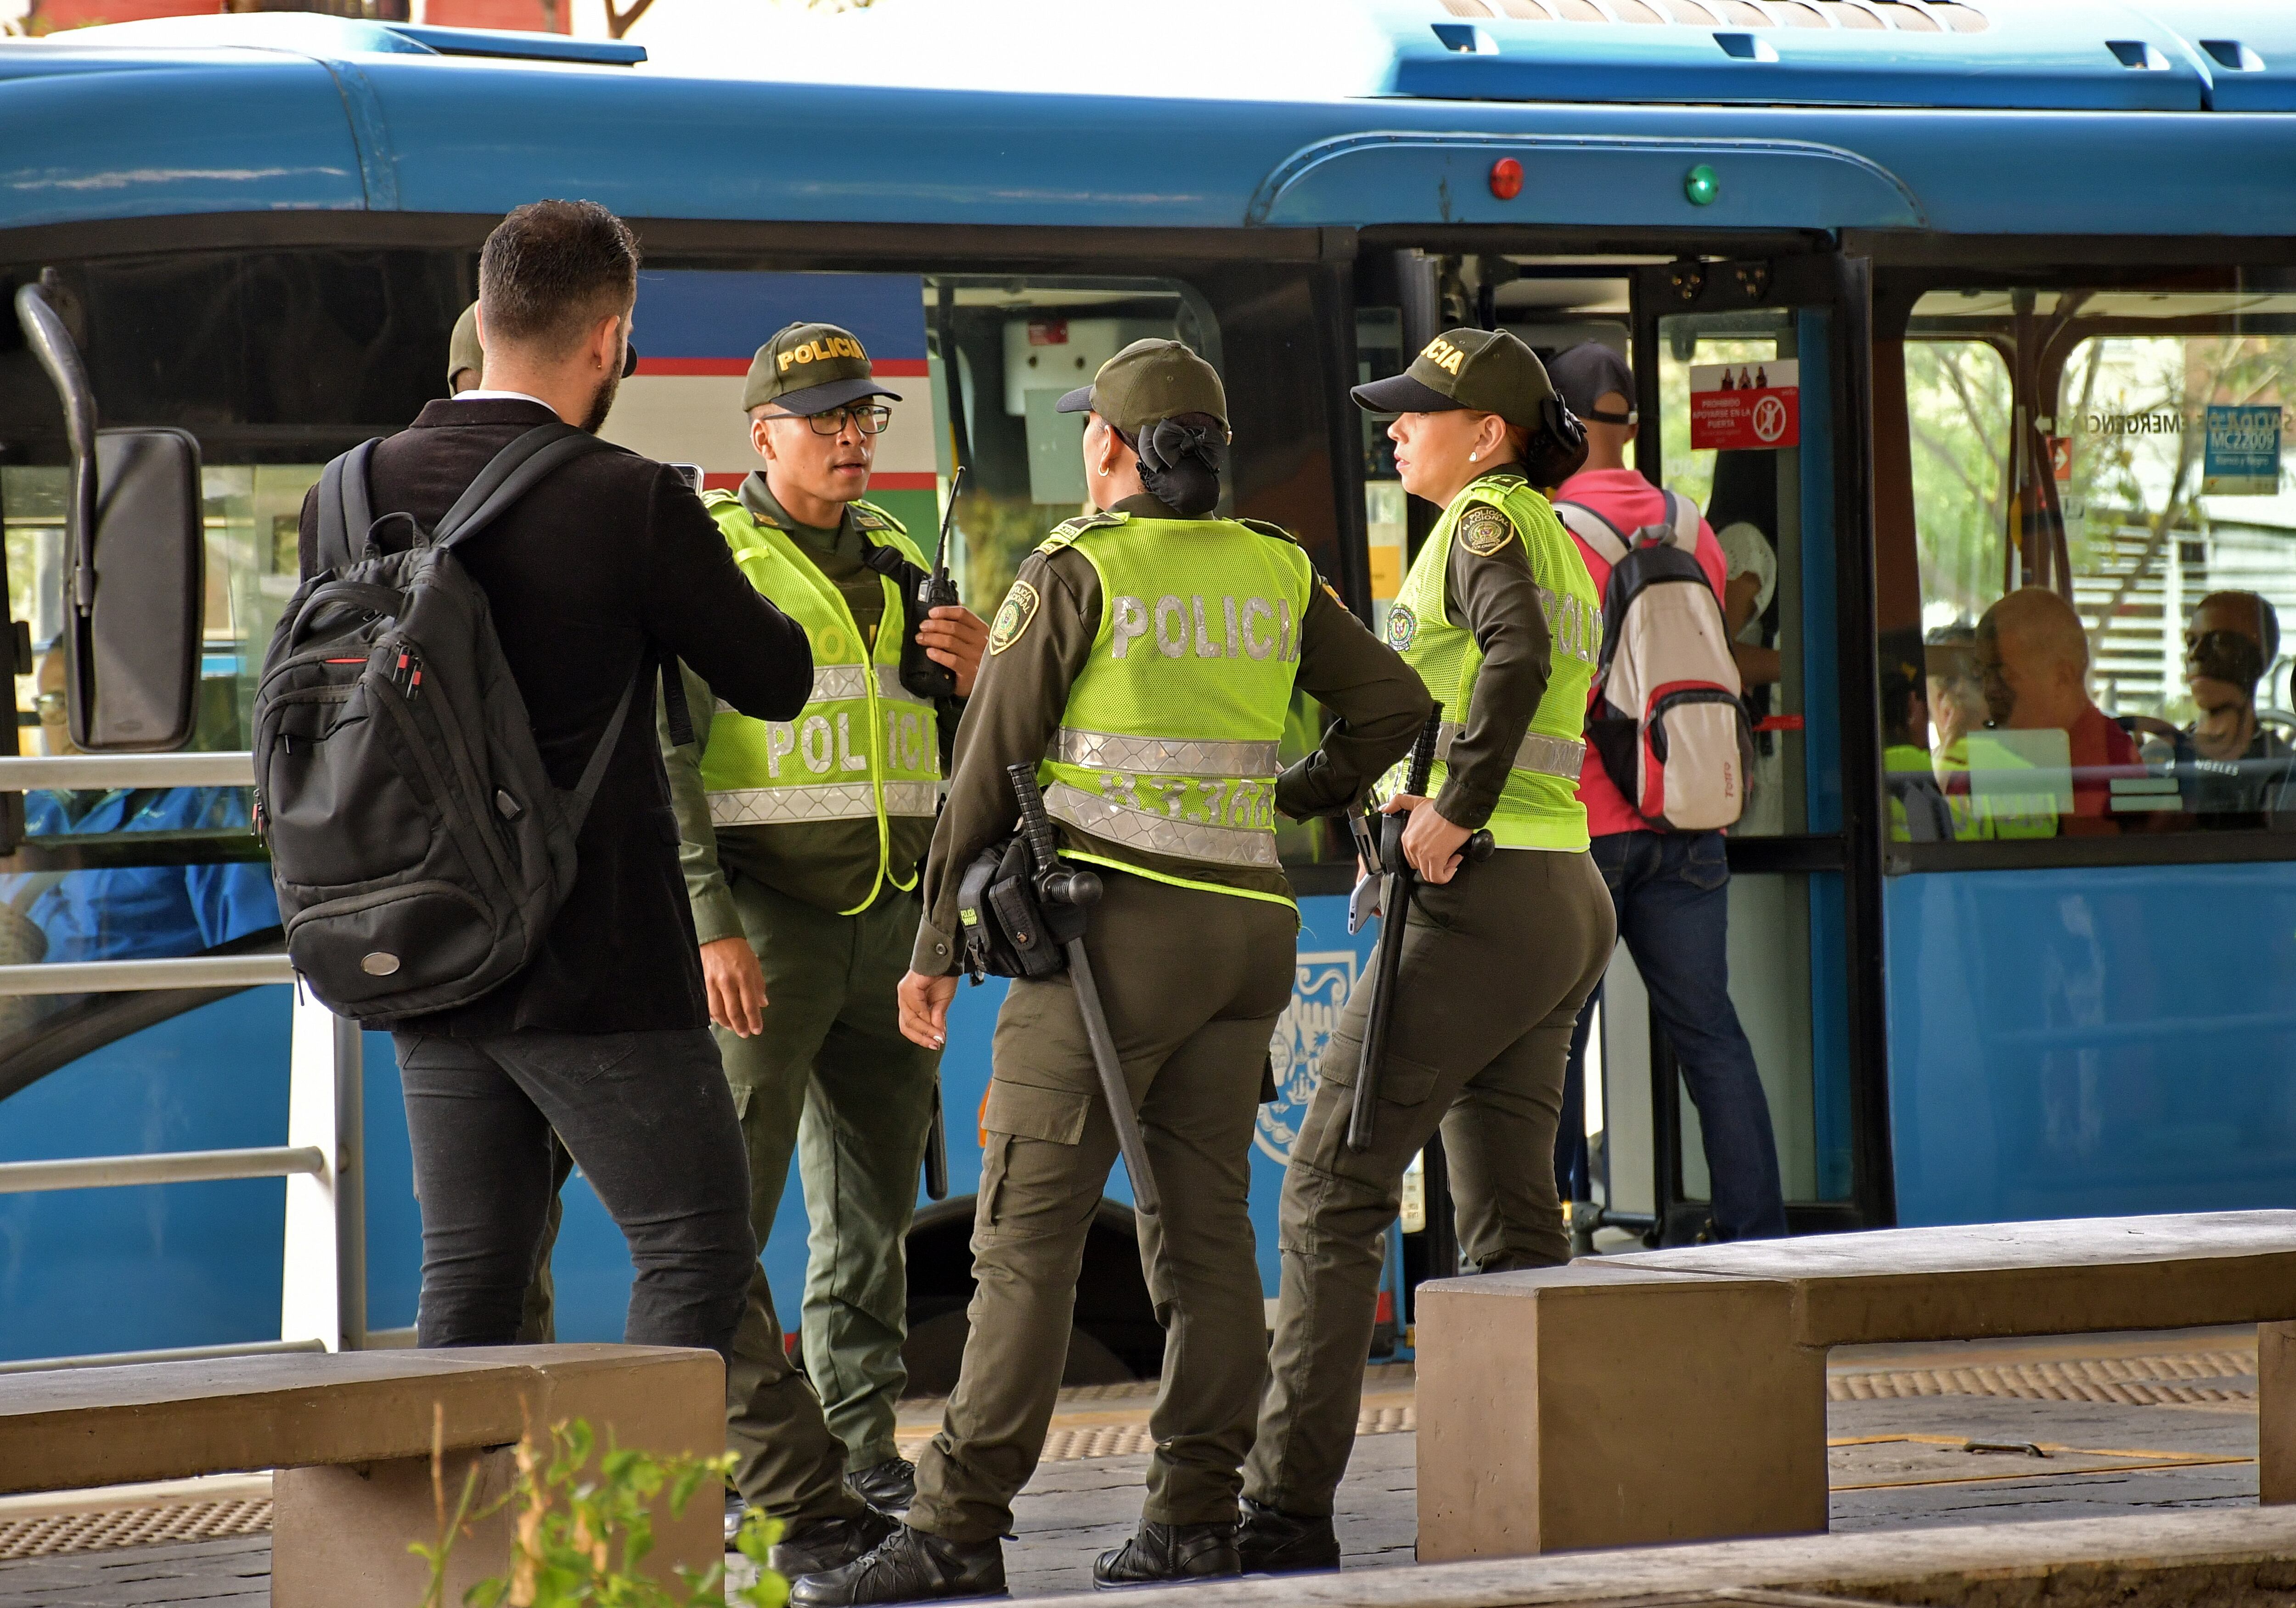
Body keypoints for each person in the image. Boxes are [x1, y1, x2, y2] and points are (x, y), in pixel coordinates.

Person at [789, 338, 1429, 1605]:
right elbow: (1396, 708)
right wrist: (1292, 794)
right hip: (1248, 936)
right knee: (1204, 1240)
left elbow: (988, 761)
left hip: (1107, 941)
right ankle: (1195, 1516)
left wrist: (929, 952)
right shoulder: (1282, 568)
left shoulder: (1080, 568)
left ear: (1114, 448)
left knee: (1026, 1240)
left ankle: (959, 1523)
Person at [293, 201, 813, 1367]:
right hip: (600, 963)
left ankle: (455, 1550)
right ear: (609, 340)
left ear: (482, 321)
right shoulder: (629, 498)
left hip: (423, 940)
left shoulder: (343, 492)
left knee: (470, 1277)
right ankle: (636, 1548)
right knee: (694, 1249)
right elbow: (774, 676)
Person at [1238, 327, 1615, 1574]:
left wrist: (1450, 808)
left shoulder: (1483, 527)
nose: (1395, 430)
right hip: (1562, 892)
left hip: (1480, 893)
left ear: (1489, 435)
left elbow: (1515, 657)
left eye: (1417, 414)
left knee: (1332, 1189)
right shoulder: (1570, 542)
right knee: (1511, 1217)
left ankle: (1285, 1507)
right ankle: (1550, 1491)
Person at [670, 323, 982, 1549]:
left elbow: (953, 752)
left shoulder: (907, 558)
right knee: (722, 1215)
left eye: (866, 417)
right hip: (766, 923)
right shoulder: (715, 560)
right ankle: (729, 1453)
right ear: (763, 436)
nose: (854, 439)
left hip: (891, 922)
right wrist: (709, 925)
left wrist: (970, 669)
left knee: (871, 1214)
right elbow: (672, 759)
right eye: (827, 421)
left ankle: (856, 1444)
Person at [1545, 341, 1788, 1244]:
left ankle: (1555, 1223)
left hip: (1584, 816)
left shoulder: (1555, 530)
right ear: (1633, 424)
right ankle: (1755, 1233)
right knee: (1709, 1031)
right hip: (1686, 814)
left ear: (1560, 425)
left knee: (1556, 1031)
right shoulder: (1692, 528)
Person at [1973, 587, 2139, 834]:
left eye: (2005, 674)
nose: (1990, 691)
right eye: (1984, 675)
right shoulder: (2012, 753)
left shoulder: (2103, 764)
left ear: (2063, 676)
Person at [2180, 590, 2294, 826]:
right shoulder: (2157, 756)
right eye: (2191, 641)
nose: (2196, 654)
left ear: (2259, 659)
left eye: (2220, 642)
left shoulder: (2282, 774)